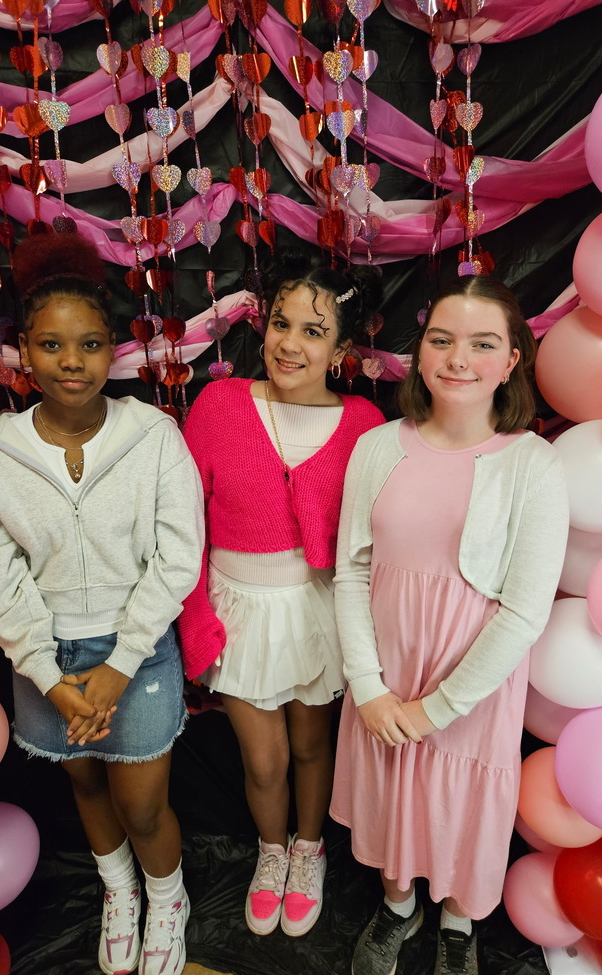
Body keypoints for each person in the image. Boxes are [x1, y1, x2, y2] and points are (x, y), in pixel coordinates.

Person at [0, 231, 204, 975]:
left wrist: (117, 666)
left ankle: (167, 898)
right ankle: (121, 892)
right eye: (52, 345)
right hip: (43, 658)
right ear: (24, 355)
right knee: (87, 788)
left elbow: (177, 560)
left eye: (91, 344)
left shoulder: (154, 437)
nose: (73, 361)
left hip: (137, 654)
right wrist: (49, 673)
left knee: (141, 800)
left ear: (113, 352)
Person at [330, 275, 569, 975]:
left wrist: (439, 707)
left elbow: (525, 611)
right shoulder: (376, 446)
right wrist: (369, 688)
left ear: (511, 362)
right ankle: (397, 906)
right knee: (393, 794)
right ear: (420, 352)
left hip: (469, 685)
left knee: (463, 805)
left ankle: (459, 926)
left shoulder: (533, 464)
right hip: (385, 675)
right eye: (441, 339)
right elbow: (351, 571)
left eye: (482, 344)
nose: (457, 357)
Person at [177, 250, 385, 938]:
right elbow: (184, 525)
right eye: (281, 324)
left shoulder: (362, 425)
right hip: (237, 606)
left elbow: (372, 538)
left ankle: (308, 850)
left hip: (316, 607)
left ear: (342, 350)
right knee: (260, 759)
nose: (290, 344)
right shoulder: (218, 404)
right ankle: (271, 854)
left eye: (313, 332)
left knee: (309, 747)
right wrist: (195, 615)